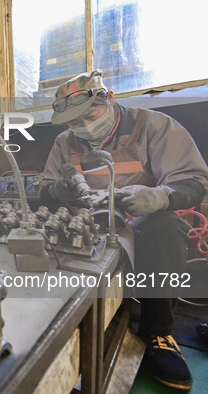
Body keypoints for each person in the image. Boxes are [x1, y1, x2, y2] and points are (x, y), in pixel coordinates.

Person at [40, 69, 208, 390]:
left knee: (165, 226)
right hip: (90, 222)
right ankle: (79, 319)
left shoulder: (154, 127)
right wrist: (61, 190)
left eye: (90, 115)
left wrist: (161, 196)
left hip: (142, 222)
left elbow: (194, 182)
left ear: (111, 99)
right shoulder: (65, 142)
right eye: (75, 123)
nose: (84, 127)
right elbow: (45, 189)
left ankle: (158, 331)